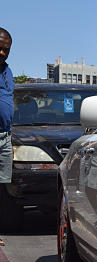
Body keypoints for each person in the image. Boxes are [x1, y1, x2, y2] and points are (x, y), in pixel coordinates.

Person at [0, 27, 14, 246]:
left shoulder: (8, 71)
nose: (2, 53)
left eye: (6, 49)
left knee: (2, 187)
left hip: (5, 137)